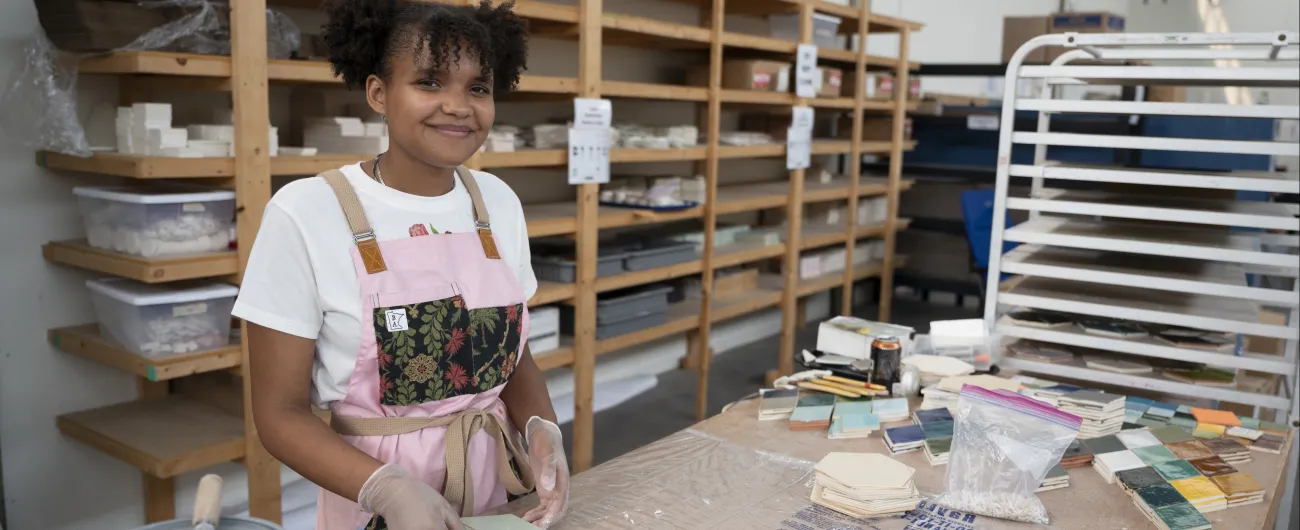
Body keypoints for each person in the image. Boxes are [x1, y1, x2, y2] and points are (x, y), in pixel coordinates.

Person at [232, 1, 568, 528]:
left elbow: (514, 354)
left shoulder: (498, 203)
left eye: (478, 87)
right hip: (373, 502)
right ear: (378, 93)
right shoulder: (306, 212)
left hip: (495, 490)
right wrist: (386, 489)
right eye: (430, 82)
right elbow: (279, 414)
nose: (458, 106)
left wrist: (542, 432)